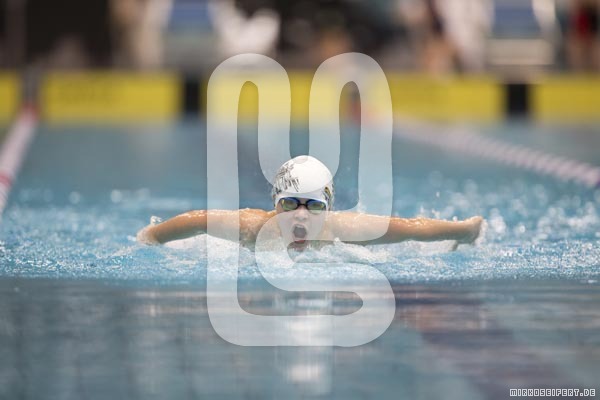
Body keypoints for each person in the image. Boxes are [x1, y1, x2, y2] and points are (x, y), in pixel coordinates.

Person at [137, 155, 483, 251]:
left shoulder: (342, 230)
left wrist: (463, 231)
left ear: (328, 208)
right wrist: (151, 237)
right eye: (290, 204)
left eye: (314, 206)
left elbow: (409, 228)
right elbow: (197, 219)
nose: (300, 216)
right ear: (275, 204)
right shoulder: (252, 228)